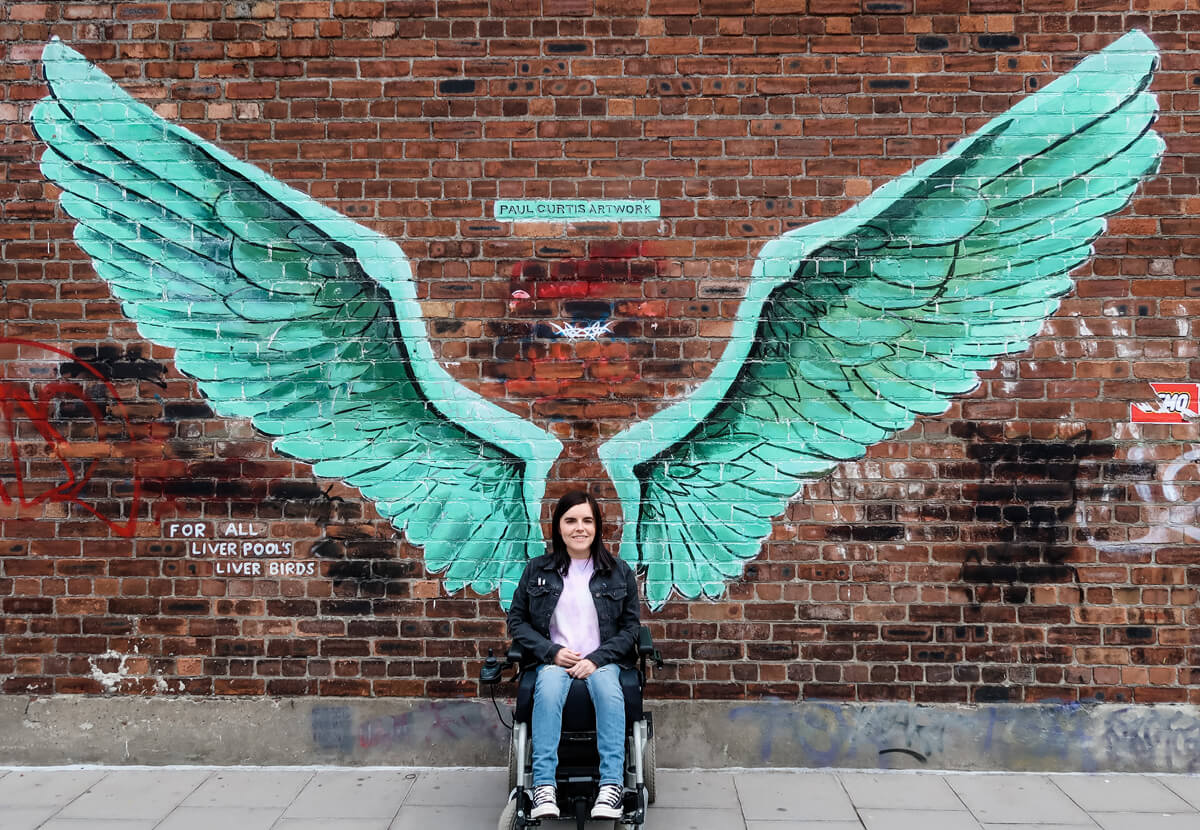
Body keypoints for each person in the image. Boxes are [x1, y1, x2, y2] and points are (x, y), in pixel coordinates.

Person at [506, 490, 641, 821]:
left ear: (597, 527)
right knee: (548, 689)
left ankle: (611, 786)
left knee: (610, 693)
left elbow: (631, 628)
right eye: (571, 521)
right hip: (553, 662)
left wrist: (596, 659)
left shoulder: (619, 572)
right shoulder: (537, 570)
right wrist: (551, 652)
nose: (579, 528)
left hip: (602, 661)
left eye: (587, 520)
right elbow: (517, 621)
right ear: (558, 527)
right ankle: (544, 787)